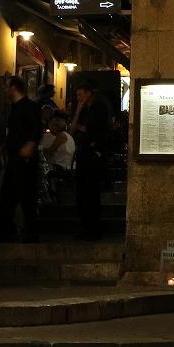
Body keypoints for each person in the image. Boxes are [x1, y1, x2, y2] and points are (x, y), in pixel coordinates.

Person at [0, 76, 42, 243]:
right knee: (8, 195)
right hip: (15, 157)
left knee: (26, 196)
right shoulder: (15, 108)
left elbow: (36, 128)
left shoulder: (29, 106)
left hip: (24, 160)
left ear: (14, 88)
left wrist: (30, 144)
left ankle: (30, 232)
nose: (4, 90)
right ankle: (7, 229)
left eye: (6, 86)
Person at [71, 79, 113, 240]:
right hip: (84, 154)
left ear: (89, 93)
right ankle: (87, 227)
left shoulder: (99, 107)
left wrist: (82, 128)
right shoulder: (84, 110)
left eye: (80, 95)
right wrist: (78, 111)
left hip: (93, 156)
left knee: (90, 193)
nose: (78, 98)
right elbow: (73, 128)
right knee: (82, 193)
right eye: (77, 95)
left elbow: (89, 129)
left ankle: (93, 229)